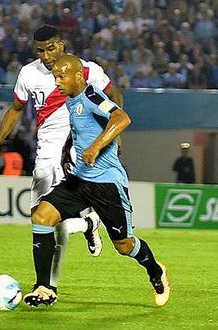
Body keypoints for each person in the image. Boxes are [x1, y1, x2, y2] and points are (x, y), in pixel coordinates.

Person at [22, 54, 170, 307]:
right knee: (41, 217)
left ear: (78, 75)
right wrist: (70, 146)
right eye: (55, 76)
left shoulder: (92, 96)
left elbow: (121, 118)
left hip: (107, 184)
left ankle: (155, 271)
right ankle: (44, 287)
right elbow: (80, 127)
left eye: (61, 76)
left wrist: (95, 147)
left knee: (124, 246)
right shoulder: (70, 99)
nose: (57, 81)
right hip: (79, 179)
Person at [0, 25, 125, 294]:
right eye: (40, 51)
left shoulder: (85, 70)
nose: (47, 56)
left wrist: (113, 137)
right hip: (45, 152)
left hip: (72, 152)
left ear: (62, 44)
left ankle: (48, 286)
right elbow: (16, 110)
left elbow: (115, 95)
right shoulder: (28, 74)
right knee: (38, 218)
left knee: (50, 218)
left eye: (51, 48)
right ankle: (87, 223)